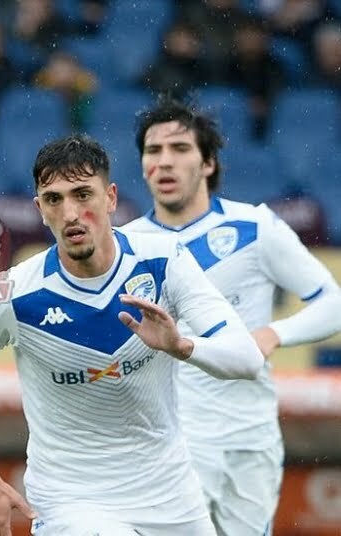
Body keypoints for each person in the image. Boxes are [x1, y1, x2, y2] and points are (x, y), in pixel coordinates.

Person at [0, 134, 264, 536]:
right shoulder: (14, 293)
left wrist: (182, 346)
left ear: (111, 197)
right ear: (39, 209)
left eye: (83, 194)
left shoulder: (165, 260)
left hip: (170, 494)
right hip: (71, 500)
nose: (71, 213)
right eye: (54, 199)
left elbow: (248, 359)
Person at [122, 97, 341, 535]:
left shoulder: (255, 228)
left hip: (249, 436)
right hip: (171, 441)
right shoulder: (126, 247)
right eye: (153, 150)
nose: (164, 162)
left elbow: (332, 303)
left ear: (208, 163)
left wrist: (273, 333)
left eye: (179, 149)